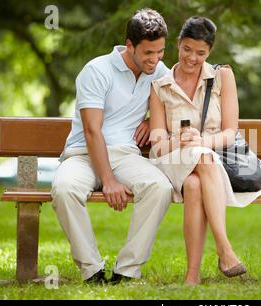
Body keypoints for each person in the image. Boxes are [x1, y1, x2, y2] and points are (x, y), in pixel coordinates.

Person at [52, 8, 173, 285]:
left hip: (125, 155)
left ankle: (127, 270)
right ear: (129, 45)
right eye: (148, 53)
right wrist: (108, 180)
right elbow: (93, 131)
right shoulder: (97, 70)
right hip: (83, 154)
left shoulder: (158, 72)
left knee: (160, 188)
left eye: (160, 52)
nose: (155, 60)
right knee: (64, 189)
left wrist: (155, 120)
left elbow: (179, 103)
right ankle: (92, 270)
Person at [149, 16, 261, 285]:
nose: (192, 58)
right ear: (178, 44)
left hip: (208, 157)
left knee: (194, 185)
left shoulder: (222, 76)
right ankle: (224, 249)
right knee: (200, 158)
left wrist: (201, 141)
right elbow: (158, 144)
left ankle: (192, 276)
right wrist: (181, 141)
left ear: (210, 52)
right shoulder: (160, 86)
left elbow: (230, 132)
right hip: (173, 157)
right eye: (187, 49)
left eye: (201, 53)